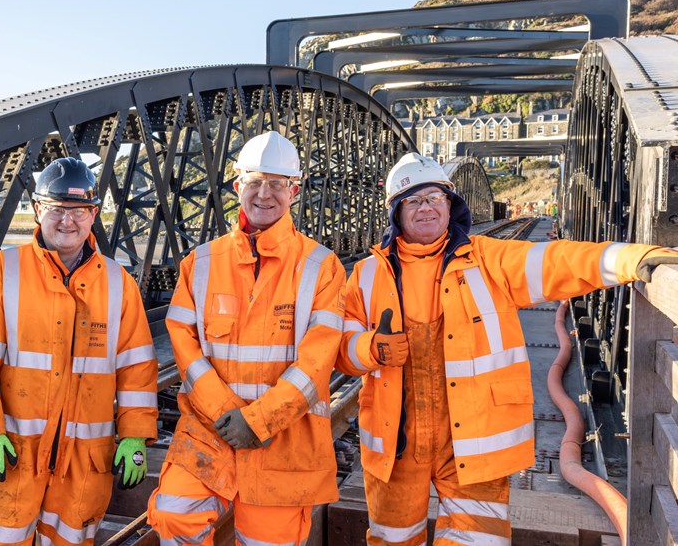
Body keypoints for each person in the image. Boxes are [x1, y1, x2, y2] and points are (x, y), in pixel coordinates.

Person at [336, 152, 678, 545]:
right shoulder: (366, 276)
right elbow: (342, 349)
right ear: (397, 212)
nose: (425, 207)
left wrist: (630, 257)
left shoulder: (489, 260)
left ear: (450, 205)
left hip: (476, 442)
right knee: (392, 539)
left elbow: (558, 261)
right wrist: (370, 348)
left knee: (477, 541)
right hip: (396, 447)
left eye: (434, 197)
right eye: (413, 200)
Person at [147, 130, 346, 546]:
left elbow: (316, 363)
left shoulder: (321, 267)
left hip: (285, 439)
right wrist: (227, 414)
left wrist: (257, 421)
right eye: (255, 182)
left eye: (277, 184)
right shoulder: (200, 263)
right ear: (238, 187)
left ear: (295, 189)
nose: (264, 194)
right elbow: (184, 346)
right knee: (173, 514)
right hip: (210, 430)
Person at [0, 156, 158, 546]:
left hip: (83, 464)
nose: (68, 221)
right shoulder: (2, 271)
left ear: (94, 214)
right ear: (37, 210)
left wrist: (135, 435)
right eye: (57, 209)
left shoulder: (119, 284)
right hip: (13, 455)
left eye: (79, 211)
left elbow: (137, 368)